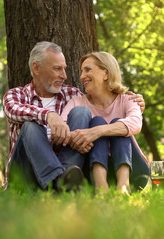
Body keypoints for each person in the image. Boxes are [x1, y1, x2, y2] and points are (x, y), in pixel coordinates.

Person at [3, 41, 144, 192]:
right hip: (25, 172)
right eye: (58, 69)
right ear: (37, 68)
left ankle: (63, 184)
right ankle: (56, 180)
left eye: (64, 69)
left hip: (66, 166)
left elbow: (97, 109)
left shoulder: (73, 95)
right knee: (31, 126)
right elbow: (13, 109)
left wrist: (88, 136)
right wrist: (49, 116)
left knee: (82, 113)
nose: (64, 75)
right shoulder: (16, 95)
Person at [60, 52, 150, 194]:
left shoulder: (128, 100)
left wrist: (96, 132)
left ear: (106, 74)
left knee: (115, 124)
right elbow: (62, 130)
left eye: (87, 70)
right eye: (81, 71)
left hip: (135, 172)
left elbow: (135, 123)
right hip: (90, 172)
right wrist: (80, 138)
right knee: (97, 121)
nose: (82, 76)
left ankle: (124, 186)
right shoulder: (76, 102)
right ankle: (101, 187)